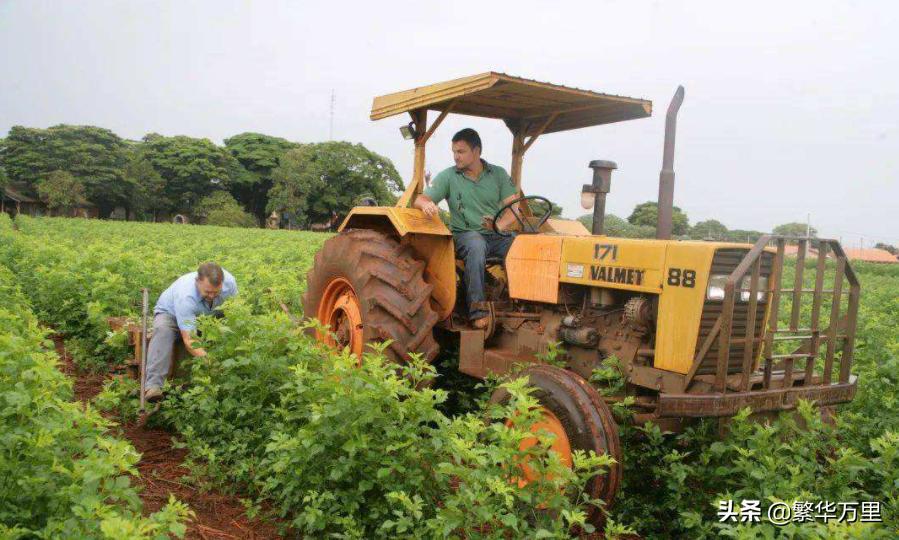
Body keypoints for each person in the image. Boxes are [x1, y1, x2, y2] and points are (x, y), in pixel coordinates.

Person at [413, 128, 520, 329]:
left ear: (476, 151)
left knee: (520, 245)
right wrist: (425, 204)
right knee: (476, 244)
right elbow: (420, 198)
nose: (456, 156)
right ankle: (477, 311)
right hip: (463, 236)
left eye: (461, 152)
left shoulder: (497, 174)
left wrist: (498, 225)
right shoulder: (449, 176)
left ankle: (520, 302)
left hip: (494, 235)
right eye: (454, 151)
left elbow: (514, 210)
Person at [144, 262, 238, 401]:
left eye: (216, 292)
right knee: (163, 331)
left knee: (225, 332)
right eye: (207, 292)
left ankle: (190, 386)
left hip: (207, 315)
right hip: (171, 314)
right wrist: (211, 363)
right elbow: (190, 341)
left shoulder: (229, 283)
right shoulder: (186, 296)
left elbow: (234, 313)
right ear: (197, 282)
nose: (212, 296)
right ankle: (153, 386)